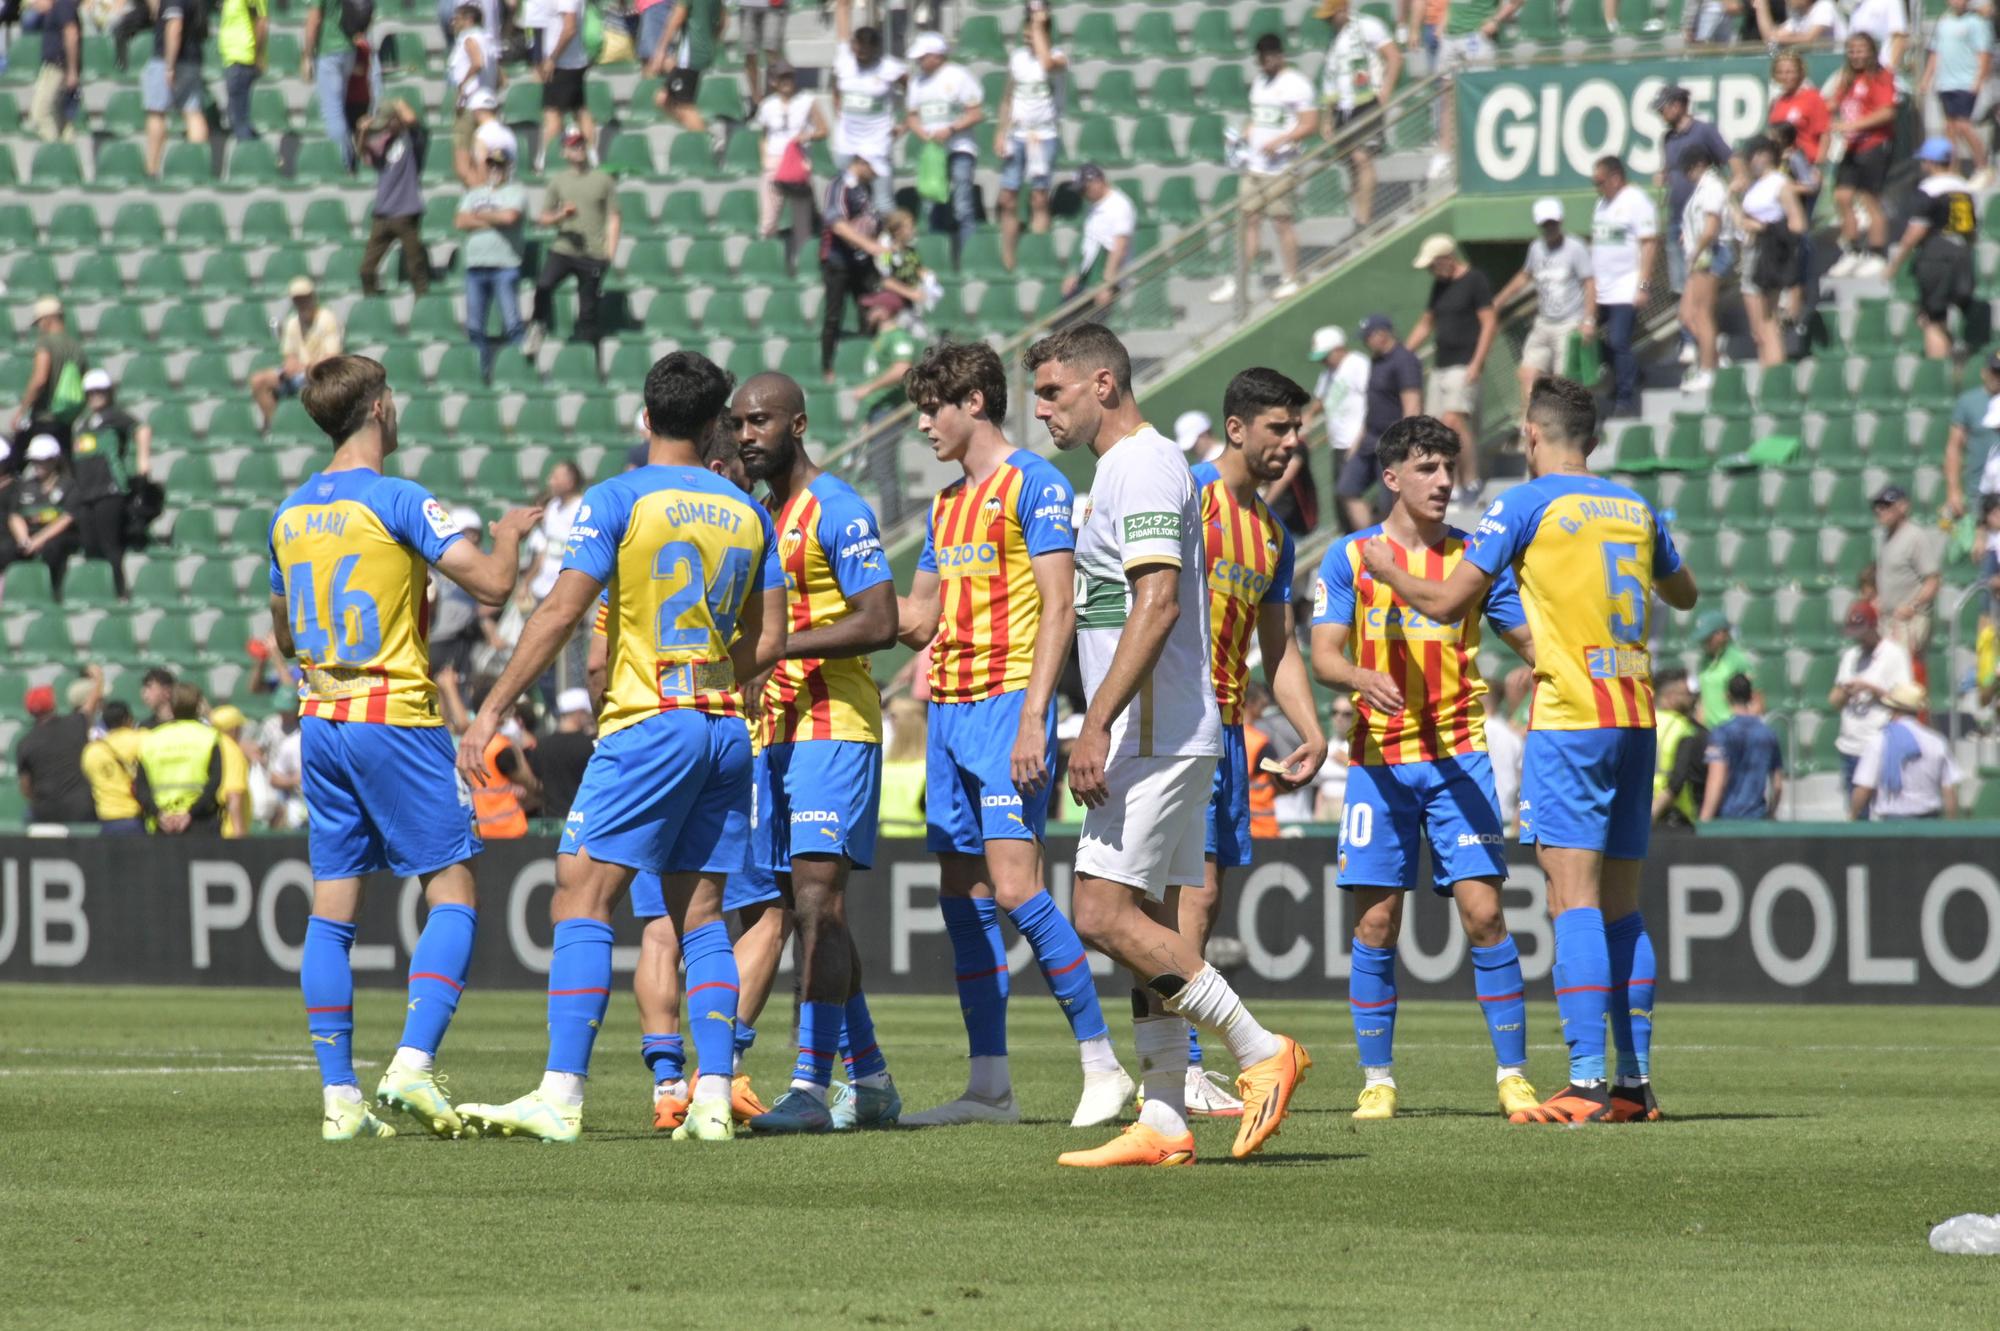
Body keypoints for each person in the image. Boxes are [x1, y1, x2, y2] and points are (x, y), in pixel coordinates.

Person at [453, 351, 786, 1144]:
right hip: (722, 727)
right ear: (715, 426)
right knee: (703, 913)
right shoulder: (748, 510)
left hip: (648, 722)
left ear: (645, 420)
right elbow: (766, 636)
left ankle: (561, 1093)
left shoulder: (616, 499)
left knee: (579, 892)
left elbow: (562, 613)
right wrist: (711, 680)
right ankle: (711, 1095)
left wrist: (490, 708)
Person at [1361, 375, 1698, 1125]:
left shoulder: (1524, 502)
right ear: (1596, 440)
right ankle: (1633, 1085)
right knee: (1621, 908)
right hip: (1635, 713)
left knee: (1569, 899)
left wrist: (1387, 571)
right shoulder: (1636, 507)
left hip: (1573, 716)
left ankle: (1583, 1082)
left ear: (1532, 436)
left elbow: (1449, 602)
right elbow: (1686, 593)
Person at [1024, 321, 1308, 1168]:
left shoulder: (1143, 464)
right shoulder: (1124, 468)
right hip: (1165, 727)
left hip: (1152, 730)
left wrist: (1099, 720)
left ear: (1102, 383)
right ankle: (1164, 1114)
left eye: (1052, 391)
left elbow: (1158, 604)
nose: (1042, 410)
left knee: (1099, 913)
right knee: (1143, 918)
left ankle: (1260, 1051)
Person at [267, 354, 542, 1141]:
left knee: (333, 908)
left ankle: (340, 1097)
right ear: (381, 407)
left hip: (320, 718)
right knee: (452, 890)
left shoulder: (287, 514)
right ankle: (413, 1062)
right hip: (395, 716)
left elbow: (286, 631)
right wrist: (511, 537)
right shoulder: (399, 499)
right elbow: (489, 585)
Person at [893, 341, 1130, 1130]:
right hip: (948, 714)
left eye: (935, 407)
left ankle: (1101, 1062)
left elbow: (1059, 606)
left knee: (1018, 886)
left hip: (1006, 709)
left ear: (975, 404)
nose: (924, 422)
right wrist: (833, 605)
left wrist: (1036, 718)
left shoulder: (1035, 484)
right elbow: (919, 617)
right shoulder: (944, 506)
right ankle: (989, 1084)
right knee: (963, 897)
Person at [1310, 412, 1537, 1119]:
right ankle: (1378, 1079)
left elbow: (1528, 637)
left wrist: (1555, 657)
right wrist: (1355, 676)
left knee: (1485, 913)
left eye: (1449, 468)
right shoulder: (1348, 556)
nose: (1445, 481)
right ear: (1392, 478)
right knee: (1376, 924)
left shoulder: (1474, 558)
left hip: (1459, 757)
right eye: (1429, 469)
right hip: (1378, 764)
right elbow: (1323, 654)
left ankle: (1512, 1073)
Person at [725, 373, 903, 1134]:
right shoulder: (766, 516)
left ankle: (808, 1085)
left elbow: (881, 619)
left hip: (836, 724)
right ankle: (872, 1080)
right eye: (737, 424)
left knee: (816, 907)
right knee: (807, 911)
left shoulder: (838, 508)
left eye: (759, 421)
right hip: (778, 733)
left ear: (798, 424)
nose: (745, 435)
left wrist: (776, 646)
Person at [1185, 368, 1330, 1116]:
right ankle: (1175, 1064)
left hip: (1225, 732)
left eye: (1296, 428)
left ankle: (1177, 1064)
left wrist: (1311, 727)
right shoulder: (1185, 498)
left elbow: (1281, 648)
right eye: (1279, 427)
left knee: (1202, 905)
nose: (1292, 441)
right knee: (1182, 896)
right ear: (1236, 428)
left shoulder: (1274, 535)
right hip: (1172, 726)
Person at [1210, 33, 1318, 303]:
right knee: (1248, 221)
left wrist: (1281, 140)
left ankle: (1291, 276)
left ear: (1280, 55)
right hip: (1254, 165)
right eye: (1261, 59)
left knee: (1282, 222)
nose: (1265, 64)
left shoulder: (1296, 84)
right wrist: (1242, 137)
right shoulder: (1259, 82)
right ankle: (1239, 279)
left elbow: (1309, 123)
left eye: (1269, 58)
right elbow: (1257, 120)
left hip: (1281, 166)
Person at [1404, 234, 1495, 503]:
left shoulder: (1475, 280)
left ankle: (1472, 479)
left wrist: (1477, 363)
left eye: (1433, 264)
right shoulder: (1439, 286)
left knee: (1453, 420)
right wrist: (1403, 353)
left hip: (1464, 363)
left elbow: (1489, 322)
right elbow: (1425, 323)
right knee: (1435, 430)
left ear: (1447, 258)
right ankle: (1451, 483)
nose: (1432, 270)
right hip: (1441, 366)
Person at [1496, 198, 1594, 432]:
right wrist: (1499, 300)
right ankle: (1530, 424)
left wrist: (1589, 319)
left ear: (1560, 222)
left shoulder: (1576, 247)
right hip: (1544, 322)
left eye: (1552, 223)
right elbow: (1525, 275)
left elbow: (1589, 282)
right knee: (1527, 372)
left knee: (1562, 380)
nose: (1549, 228)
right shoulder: (1536, 248)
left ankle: (1563, 428)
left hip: (1569, 322)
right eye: (1545, 224)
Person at [525, 129, 620, 356]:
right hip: (564, 250)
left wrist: (610, 252)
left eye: (580, 144)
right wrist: (561, 216)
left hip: (593, 254)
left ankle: (587, 357)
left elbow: (614, 217)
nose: (577, 149)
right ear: (564, 151)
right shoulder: (559, 181)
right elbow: (543, 218)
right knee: (543, 285)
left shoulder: (602, 179)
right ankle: (539, 325)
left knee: (588, 310)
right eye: (572, 145)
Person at [1885, 138, 1979, 361]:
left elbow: (1914, 233)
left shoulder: (1928, 190)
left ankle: (1940, 368)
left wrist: (1894, 264)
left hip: (1936, 255)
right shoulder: (1964, 188)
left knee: (1932, 318)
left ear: (1930, 162)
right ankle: (1955, 349)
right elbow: (1972, 231)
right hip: (1963, 254)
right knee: (1944, 313)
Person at [1653, 85, 1732, 338]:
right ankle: (1691, 337)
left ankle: (1703, 337)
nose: (1660, 114)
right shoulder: (1667, 138)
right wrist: (1664, 176)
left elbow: (1728, 160)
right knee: (1680, 282)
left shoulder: (1704, 131)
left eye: (1662, 108)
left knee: (1700, 279)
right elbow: (1670, 168)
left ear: (1677, 105)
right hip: (1677, 218)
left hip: (1702, 219)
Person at [994, 3, 1066, 272]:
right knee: (1008, 197)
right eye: (1025, 36)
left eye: (1032, 36)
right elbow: (1007, 98)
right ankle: (1008, 255)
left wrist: (1039, 23)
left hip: (1043, 134)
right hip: (1018, 134)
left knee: (1038, 197)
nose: (1028, 41)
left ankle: (1037, 254)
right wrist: (1001, 131)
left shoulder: (1058, 57)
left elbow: (1047, 63)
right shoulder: (1017, 59)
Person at [1316, 0, 1399, 227]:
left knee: (1362, 158)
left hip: (1366, 101)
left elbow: (1393, 56)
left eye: (1330, 16)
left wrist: (1384, 94)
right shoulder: (1333, 40)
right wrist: (1327, 117)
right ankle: (1358, 218)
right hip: (1343, 108)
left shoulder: (1368, 26)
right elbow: (1330, 80)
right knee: (1352, 165)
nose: (1327, 21)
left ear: (1343, 10)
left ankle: (1364, 220)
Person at [904, 31, 984, 262]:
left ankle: (968, 257)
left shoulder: (959, 76)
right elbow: (911, 116)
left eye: (923, 56)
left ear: (936, 56)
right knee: (933, 204)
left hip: (960, 148)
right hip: (933, 153)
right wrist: (924, 134)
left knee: (962, 206)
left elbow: (975, 113)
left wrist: (950, 129)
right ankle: (937, 259)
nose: (919, 61)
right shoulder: (917, 82)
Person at [70, 369, 150, 599]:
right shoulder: (82, 422)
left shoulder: (115, 416)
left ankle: (119, 592)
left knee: (110, 545)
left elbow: (142, 429)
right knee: (89, 545)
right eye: (91, 392)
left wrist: (143, 460)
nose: (96, 396)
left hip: (109, 490)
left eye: (100, 391)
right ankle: (98, 592)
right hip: (86, 492)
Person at [1589, 155, 1659, 418]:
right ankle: (1631, 372)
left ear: (1616, 177)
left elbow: (1650, 244)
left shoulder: (1636, 201)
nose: (1597, 187)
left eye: (1600, 181)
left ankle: (1625, 398)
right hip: (1602, 289)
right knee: (1588, 340)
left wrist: (1643, 285)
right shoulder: (1601, 205)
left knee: (1619, 340)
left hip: (1626, 287)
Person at [1338, 313, 1422, 531]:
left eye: (1368, 337)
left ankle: (1386, 542)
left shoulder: (1404, 360)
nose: (1366, 342)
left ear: (1381, 334)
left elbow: (1412, 405)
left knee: (1389, 502)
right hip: (1369, 439)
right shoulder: (1376, 361)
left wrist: (1405, 445)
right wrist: (1357, 443)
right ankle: (1367, 540)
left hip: (1392, 441)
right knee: (1347, 489)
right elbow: (1373, 405)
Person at [457, 127, 527, 383]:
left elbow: (510, 217)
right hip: (475, 267)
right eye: (491, 164)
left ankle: (520, 371)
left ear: (508, 166)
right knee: (475, 327)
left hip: (504, 266)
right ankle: (482, 374)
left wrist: (480, 217)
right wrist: (493, 219)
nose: (495, 169)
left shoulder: (515, 192)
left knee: (513, 324)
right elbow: (460, 221)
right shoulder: (474, 193)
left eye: (500, 164)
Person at [1736, 135, 1809, 368]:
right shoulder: (1755, 186)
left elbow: (1798, 225)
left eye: (1756, 155)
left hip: (1770, 252)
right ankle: (1766, 370)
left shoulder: (1780, 183)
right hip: (1751, 251)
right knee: (1758, 328)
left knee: (1768, 320)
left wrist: (1763, 228)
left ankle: (1776, 374)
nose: (1752, 160)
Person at [1828, 33, 1897, 279]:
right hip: (1851, 147)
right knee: (1842, 196)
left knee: (1869, 200)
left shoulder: (1880, 76)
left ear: (1871, 51)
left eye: (1861, 50)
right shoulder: (1846, 78)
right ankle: (1853, 250)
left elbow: (1887, 112)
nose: (1856, 55)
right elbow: (1833, 105)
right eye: (1852, 50)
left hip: (1874, 144)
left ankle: (1878, 253)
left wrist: (1852, 125)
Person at [1830, 600, 1914, 794]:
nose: (1858, 639)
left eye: (1862, 633)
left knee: (1881, 809)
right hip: (1850, 746)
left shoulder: (1894, 655)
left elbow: (1906, 701)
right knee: (1856, 812)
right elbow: (1833, 701)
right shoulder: (1850, 656)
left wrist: (1871, 688)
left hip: (1878, 746)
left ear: (1873, 627)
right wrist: (1845, 691)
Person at [819, 156, 887, 381]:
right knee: (833, 315)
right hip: (838, 260)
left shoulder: (866, 188)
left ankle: (867, 362)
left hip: (862, 262)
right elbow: (836, 223)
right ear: (861, 161)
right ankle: (827, 366)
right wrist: (870, 245)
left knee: (870, 311)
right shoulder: (840, 185)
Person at [829, 17, 905, 216]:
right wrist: (837, 105)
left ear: (875, 48)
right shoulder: (844, 63)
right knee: (848, 198)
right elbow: (836, 87)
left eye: (866, 48)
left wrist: (903, 125)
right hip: (847, 143)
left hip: (877, 143)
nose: (861, 52)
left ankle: (893, 245)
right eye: (858, 46)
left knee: (883, 201)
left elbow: (913, 92)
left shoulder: (889, 68)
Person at [1850, 682, 1959, 820]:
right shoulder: (1937, 741)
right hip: (1930, 821)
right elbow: (1949, 790)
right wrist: (1951, 825)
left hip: (1893, 822)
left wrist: (1852, 816)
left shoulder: (1879, 741)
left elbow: (1863, 788)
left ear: (1892, 708)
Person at [753, 61, 826, 265]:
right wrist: (765, 159)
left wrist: (807, 136)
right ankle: (767, 262)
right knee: (768, 219)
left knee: (802, 220)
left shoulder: (807, 100)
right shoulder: (767, 105)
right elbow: (763, 135)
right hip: (775, 161)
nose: (787, 82)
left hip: (798, 161)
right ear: (774, 81)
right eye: (782, 78)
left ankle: (803, 263)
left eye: (790, 77)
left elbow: (823, 129)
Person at [357, 100, 431, 298]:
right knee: (366, 270)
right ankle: (373, 308)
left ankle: (422, 307)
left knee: (416, 268)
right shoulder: (383, 141)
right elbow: (363, 153)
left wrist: (400, 106)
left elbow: (417, 126)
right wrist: (363, 132)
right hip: (382, 214)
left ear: (396, 120)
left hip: (406, 212)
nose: (384, 128)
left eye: (388, 122)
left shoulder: (412, 141)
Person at [250, 279, 344, 431]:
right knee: (258, 381)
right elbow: (289, 355)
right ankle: (276, 428)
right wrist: (291, 366)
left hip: (320, 372)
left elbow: (331, 358)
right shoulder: (292, 322)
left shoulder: (326, 319)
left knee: (315, 374)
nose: (302, 303)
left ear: (312, 297)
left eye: (305, 298)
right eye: (297, 299)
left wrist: (303, 367)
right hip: (299, 372)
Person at [1675, 146, 1731, 393]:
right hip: (1698, 256)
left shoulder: (1712, 187)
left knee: (1702, 314)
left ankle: (1709, 370)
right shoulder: (1702, 190)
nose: (1686, 175)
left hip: (1710, 254)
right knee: (1687, 314)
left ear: (1698, 165)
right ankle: (1715, 356)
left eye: (1688, 169)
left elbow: (1711, 227)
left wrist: (1696, 251)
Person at [1872, 484, 1942, 678]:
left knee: (1905, 675)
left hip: (1909, 621)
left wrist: (1912, 605)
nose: (1880, 511)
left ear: (1903, 506)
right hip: (1888, 619)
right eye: (1877, 506)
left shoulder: (1914, 536)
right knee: (1889, 678)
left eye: (1886, 505)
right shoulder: (1885, 537)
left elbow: (1933, 581)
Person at [303, 0, 381, 172]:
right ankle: (348, 156)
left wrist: (307, 56)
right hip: (347, 48)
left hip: (329, 50)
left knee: (333, 111)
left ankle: (344, 162)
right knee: (339, 109)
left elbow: (314, 20)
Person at [133, 683, 222, 834]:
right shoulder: (209, 736)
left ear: (171, 706)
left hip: (162, 825)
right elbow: (216, 781)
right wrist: (189, 813)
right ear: (197, 706)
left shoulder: (151, 738)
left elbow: (141, 787)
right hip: (200, 822)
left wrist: (159, 814)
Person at [6, 436, 80, 597]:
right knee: (8, 550)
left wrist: (39, 539)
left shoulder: (68, 485)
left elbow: (67, 518)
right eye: (34, 460)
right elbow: (15, 515)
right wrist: (24, 539)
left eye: (42, 460)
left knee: (52, 549)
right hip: (30, 534)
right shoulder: (26, 486)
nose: (37, 465)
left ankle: (53, 592)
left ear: (54, 460)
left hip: (59, 535)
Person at [143, 0, 210, 178]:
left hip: (170, 61)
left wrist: (169, 65)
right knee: (192, 111)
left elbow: (175, 26)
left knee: (156, 112)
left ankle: (152, 170)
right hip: (193, 59)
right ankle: (197, 167)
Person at [1701, 673, 1782, 821]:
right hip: (1757, 817)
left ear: (1727, 697)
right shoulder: (1768, 734)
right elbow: (1777, 785)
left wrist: (1705, 820)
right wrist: (1771, 813)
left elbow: (1717, 780)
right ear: (1751, 696)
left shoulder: (1721, 733)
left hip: (1728, 818)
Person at [16, 677, 96, 823]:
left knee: (28, 816)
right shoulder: (75, 723)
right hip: (81, 809)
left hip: (45, 812)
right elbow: (91, 705)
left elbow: (26, 788)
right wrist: (98, 678)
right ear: (53, 705)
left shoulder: (24, 743)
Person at [1062, 164, 1135, 311]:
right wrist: (1074, 273)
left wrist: (1106, 284)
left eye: (1084, 189)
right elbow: (1089, 241)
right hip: (1088, 277)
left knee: (1095, 330)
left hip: (1104, 278)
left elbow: (1119, 246)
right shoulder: (1094, 206)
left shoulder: (1119, 206)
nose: (1082, 194)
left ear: (1098, 182)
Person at [13, 296, 85, 447]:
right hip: (66, 420)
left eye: (39, 322)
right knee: (64, 465)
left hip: (43, 418)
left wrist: (23, 409)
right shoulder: (76, 347)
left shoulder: (45, 343)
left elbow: (40, 380)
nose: (39, 327)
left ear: (47, 319)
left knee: (14, 463)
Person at [650, 0, 724, 133]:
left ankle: (707, 140)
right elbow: (723, 20)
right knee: (663, 99)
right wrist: (712, 40)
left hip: (690, 55)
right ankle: (700, 134)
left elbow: (677, 17)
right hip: (703, 51)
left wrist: (661, 50)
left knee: (684, 106)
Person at [447, 3, 501, 185]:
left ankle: (480, 199)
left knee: (462, 165)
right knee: (482, 161)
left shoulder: (468, 38)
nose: (453, 23)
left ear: (469, 20)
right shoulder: (488, 40)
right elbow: (502, 79)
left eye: (457, 19)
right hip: (488, 106)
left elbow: (477, 62)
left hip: (470, 105)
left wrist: (463, 85)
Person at [538, 0, 595, 171]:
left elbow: (569, 29)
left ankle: (546, 161)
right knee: (580, 111)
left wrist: (552, 59)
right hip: (571, 63)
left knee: (553, 114)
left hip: (564, 65)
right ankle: (591, 157)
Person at [1944, 355, 2000, 521]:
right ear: (1984, 373)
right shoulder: (1968, 402)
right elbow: (1954, 447)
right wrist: (1953, 490)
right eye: (1995, 372)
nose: (1998, 377)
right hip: (1978, 490)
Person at [1305, 324, 1370, 466]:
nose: (1322, 362)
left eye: (1325, 357)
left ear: (1338, 348)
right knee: (1343, 488)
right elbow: (1321, 399)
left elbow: (1373, 399)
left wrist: (1361, 439)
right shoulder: (1327, 373)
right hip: (1340, 445)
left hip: (1360, 441)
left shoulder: (1357, 364)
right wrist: (1309, 415)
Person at [1649, 667, 1707, 827]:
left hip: (1640, 805)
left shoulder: (1643, 722)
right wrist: (1653, 813)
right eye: (1686, 694)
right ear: (1670, 697)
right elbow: (1677, 780)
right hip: (1672, 814)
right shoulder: (1682, 727)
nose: (1691, 699)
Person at [81, 698, 146, 833]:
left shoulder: (91, 751)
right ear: (128, 719)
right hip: (136, 818)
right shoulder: (142, 739)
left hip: (107, 822)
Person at [533, 688, 595, 822]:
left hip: (551, 821)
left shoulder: (542, 745)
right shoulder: (589, 745)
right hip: (582, 820)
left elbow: (535, 783)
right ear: (579, 713)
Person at [852, 303, 919, 425]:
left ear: (885, 312)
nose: (867, 312)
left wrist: (869, 388)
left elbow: (902, 369)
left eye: (871, 308)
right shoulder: (880, 337)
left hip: (890, 409)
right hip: (875, 408)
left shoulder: (898, 336)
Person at [30, 0, 81, 143]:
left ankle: (54, 154)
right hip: (55, 67)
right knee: (60, 118)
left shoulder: (63, 4)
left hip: (58, 68)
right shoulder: (57, 6)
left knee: (40, 114)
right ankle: (66, 153)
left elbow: (71, 34)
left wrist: (72, 70)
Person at [218, 0, 268, 142]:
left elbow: (261, 22)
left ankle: (251, 158)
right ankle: (261, 152)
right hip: (234, 59)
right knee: (238, 118)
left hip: (242, 59)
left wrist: (258, 55)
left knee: (239, 120)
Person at [1695, 609, 1753, 728]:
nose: (1704, 641)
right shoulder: (1704, 661)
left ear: (1722, 634)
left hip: (1732, 732)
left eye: (1708, 637)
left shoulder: (1738, 659)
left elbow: (1755, 699)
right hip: (1709, 732)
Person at [879, 696, 926, 837]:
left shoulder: (927, 769)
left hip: (917, 847)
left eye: (892, 718)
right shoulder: (928, 768)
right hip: (888, 845)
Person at [210, 704, 254, 837]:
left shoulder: (212, 747)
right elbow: (234, 794)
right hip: (229, 832)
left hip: (212, 828)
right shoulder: (233, 752)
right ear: (234, 729)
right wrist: (239, 834)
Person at [735, 0, 785, 101]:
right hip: (746, 5)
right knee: (749, 53)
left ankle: (773, 98)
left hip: (773, 6)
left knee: (772, 51)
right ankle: (756, 99)